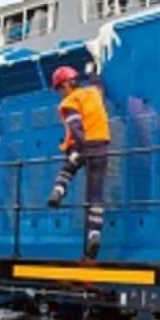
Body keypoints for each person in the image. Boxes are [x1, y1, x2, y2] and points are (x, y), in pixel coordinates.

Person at [47, 66, 110, 260]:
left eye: (59, 88)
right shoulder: (94, 92)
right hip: (102, 148)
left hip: (84, 147)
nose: (59, 92)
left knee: (69, 167)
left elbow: (75, 127)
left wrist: (81, 149)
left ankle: (58, 190)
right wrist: (93, 72)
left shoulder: (69, 102)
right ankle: (94, 234)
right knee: (95, 195)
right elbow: (99, 85)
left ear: (66, 84)